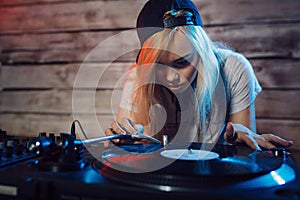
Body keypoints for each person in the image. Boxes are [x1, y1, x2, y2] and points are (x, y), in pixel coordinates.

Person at [105, 0, 293, 150]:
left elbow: (246, 154)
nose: (171, 77)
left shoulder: (233, 68)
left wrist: (239, 138)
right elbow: (128, 149)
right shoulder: (138, 77)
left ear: (201, 52)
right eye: (159, 65)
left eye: (182, 62)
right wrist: (121, 140)